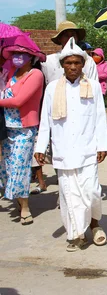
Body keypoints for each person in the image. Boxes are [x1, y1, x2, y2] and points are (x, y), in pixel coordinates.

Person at [35, 38, 107, 250]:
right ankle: (76, 234)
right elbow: (45, 121)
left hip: (88, 150)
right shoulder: (51, 89)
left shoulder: (93, 87)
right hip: (63, 151)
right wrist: (40, 147)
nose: (73, 67)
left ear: (83, 64)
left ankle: (94, 224)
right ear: (62, 65)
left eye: (77, 63)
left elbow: (99, 117)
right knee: (69, 195)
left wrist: (102, 144)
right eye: (69, 63)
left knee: (92, 192)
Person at [0, 35, 45, 225]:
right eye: (15, 53)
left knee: (20, 168)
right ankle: (19, 201)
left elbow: (19, 100)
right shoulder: (10, 74)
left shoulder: (35, 75)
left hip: (24, 129)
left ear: (31, 57)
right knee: (8, 168)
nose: (18, 57)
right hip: (7, 128)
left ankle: (25, 207)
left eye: (22, 54)